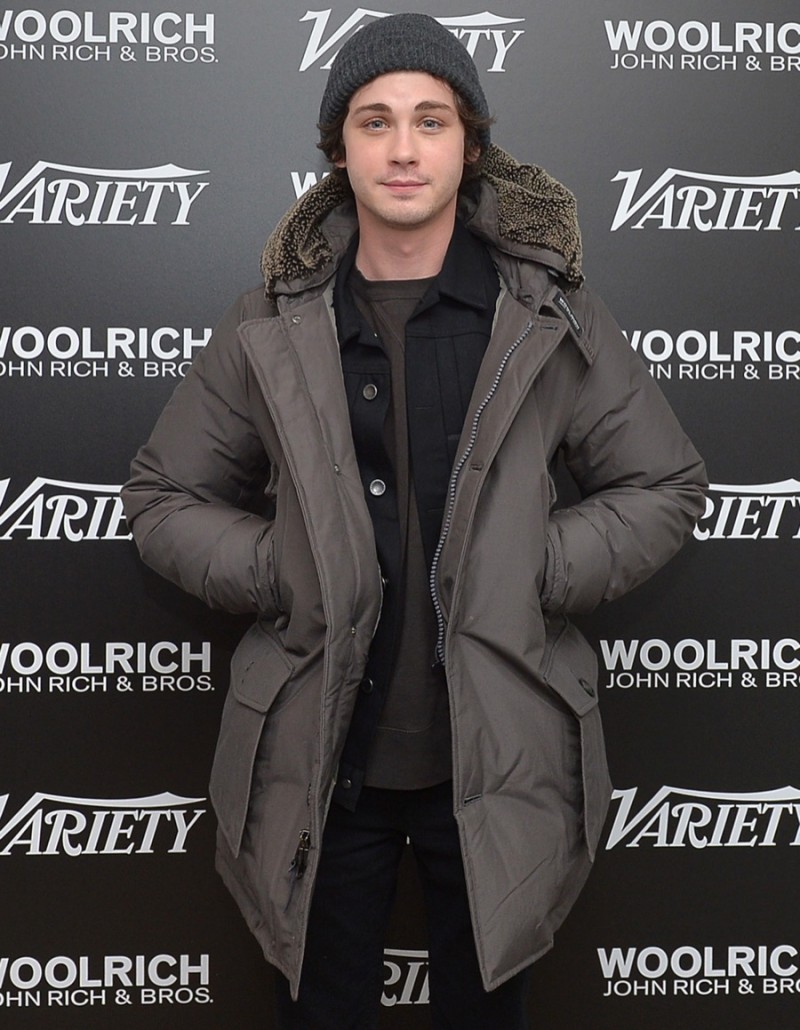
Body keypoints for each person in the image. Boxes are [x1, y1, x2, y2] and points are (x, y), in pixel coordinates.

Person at [122, 12, 707, 1029]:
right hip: (319, 761)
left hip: (500, 757)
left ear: (468, 143)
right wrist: (278, 569)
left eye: (429, 121)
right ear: (336, 149)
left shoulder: (550, 315)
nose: (401, 149)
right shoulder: (268, 325)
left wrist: (535, 569)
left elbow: (662, 483)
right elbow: (161, 497)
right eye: (373, 121)